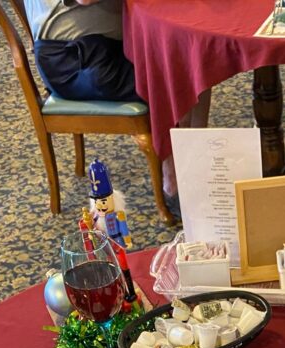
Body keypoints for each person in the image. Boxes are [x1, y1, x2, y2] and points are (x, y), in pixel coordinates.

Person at [23, 0, 210, 209]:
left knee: (193, 60)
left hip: (96, 47)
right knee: (182, 76)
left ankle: (197, 156)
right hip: (76, 60)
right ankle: (174, 179)